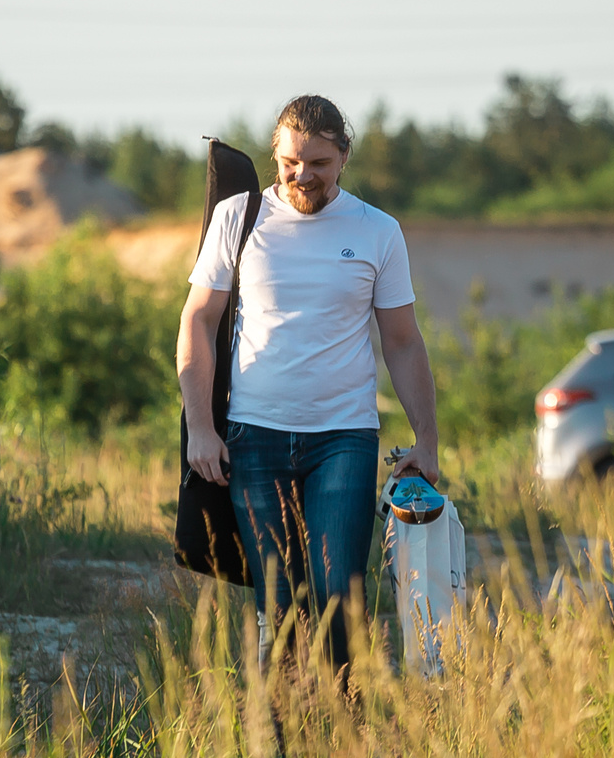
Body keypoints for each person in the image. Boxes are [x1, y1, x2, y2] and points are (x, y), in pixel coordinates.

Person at [177, 95, 440, 679]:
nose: (302, 176)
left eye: (318, 163)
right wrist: (200, 426)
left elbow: (401, 340)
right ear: (276, 154)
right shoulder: (238, 218)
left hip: (342, 438)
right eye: (291, 161)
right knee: (282, 604)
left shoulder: (378, 231)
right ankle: (287, 746)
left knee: (338, 599)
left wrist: (427, 439)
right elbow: (197, 319)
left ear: (344, 157)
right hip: (254, 438)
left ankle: (343, 738)